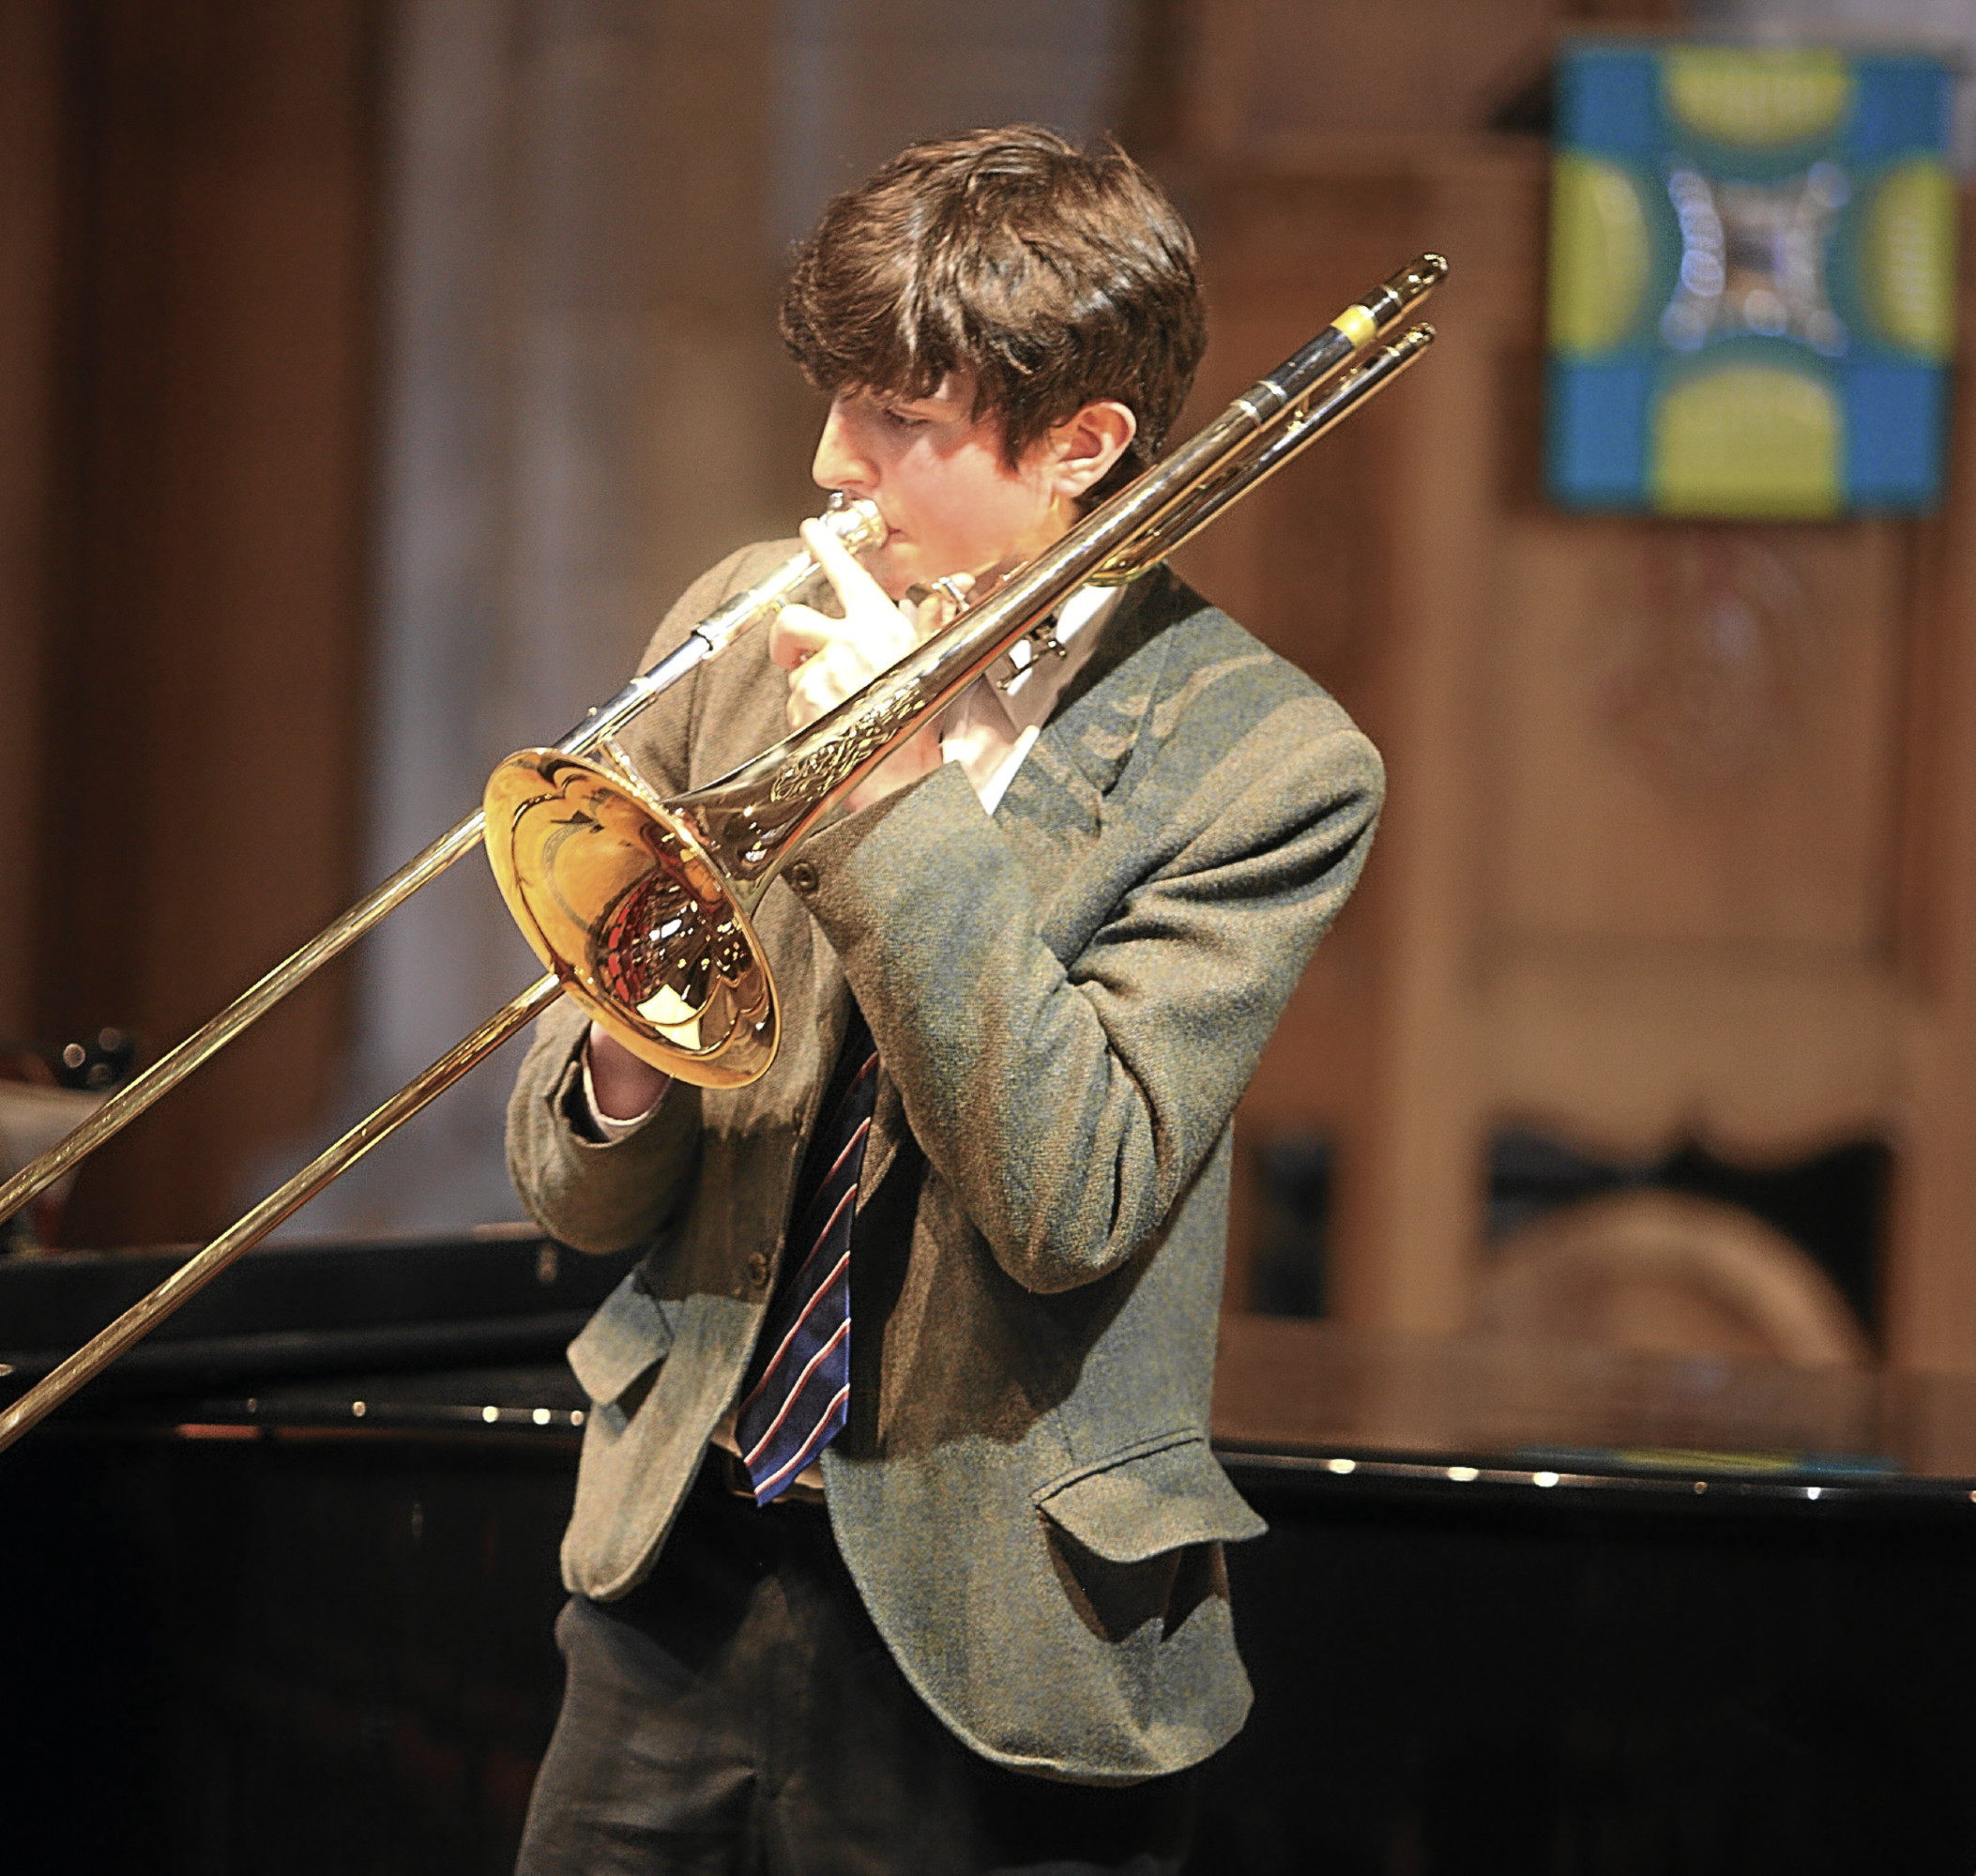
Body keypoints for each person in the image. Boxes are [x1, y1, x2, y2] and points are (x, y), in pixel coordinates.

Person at [505, 127, 1386, 1872]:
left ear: (1083, 445)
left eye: (900, 418)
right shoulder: (741, 629)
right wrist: (625, 1047)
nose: (832, 463)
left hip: (996, 1631)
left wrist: (898, 803)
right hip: (669, 1570)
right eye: (838, 398)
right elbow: (571, 1188)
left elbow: (1074, 1199)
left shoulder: (1267, 761)